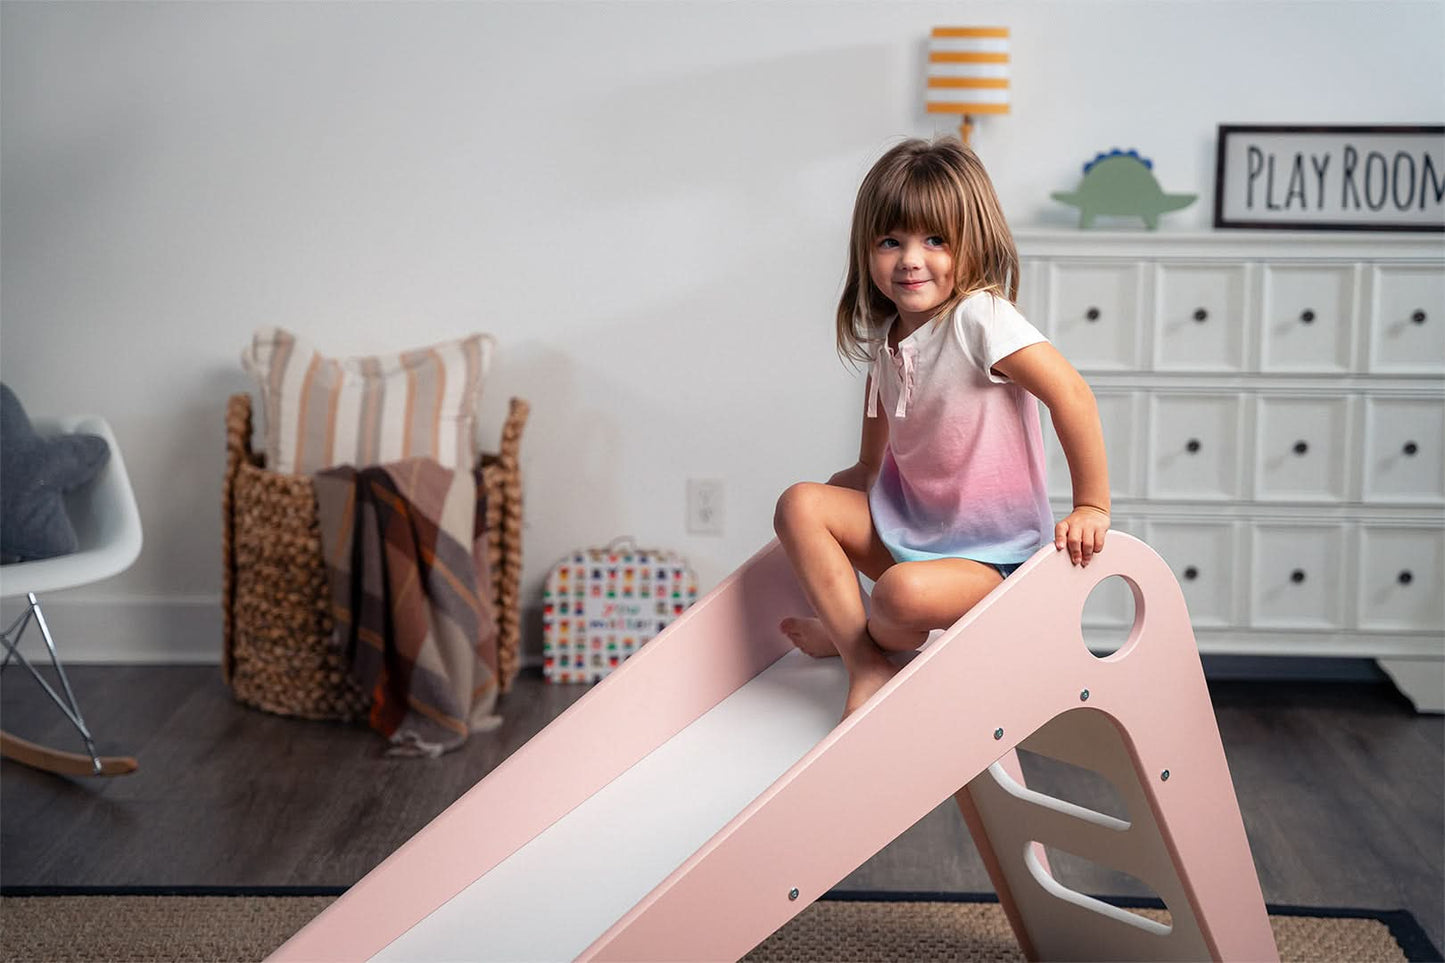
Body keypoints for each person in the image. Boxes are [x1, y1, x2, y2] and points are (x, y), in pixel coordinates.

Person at [774, 137, 1111, 720]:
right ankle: (864, 656)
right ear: (866, 251)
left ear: (969, 244)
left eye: (934, 240)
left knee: (901, 594)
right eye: (890, 241)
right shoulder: (888, 343)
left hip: (993, 563)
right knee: (800, 503)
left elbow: (1072, 395)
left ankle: (855, 632)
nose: (910, 258)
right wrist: (839, 500)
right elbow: (870, 466)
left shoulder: (980, 319)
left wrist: (1092, 506)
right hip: (914, 536)